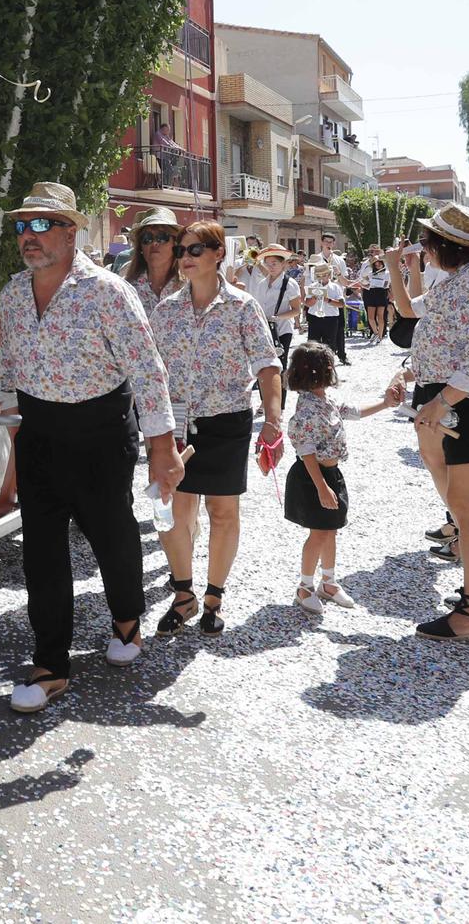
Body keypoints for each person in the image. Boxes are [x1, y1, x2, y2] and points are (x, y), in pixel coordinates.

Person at [0, 182, 184, 713]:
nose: (28, 237)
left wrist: (163, 445)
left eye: (41, 225)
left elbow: (146, 368)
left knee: (110, 534)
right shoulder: (15, 291)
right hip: (38, 431)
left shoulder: (107, 290)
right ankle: (49, 664)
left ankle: (128, 623)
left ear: (70, 231)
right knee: (41, 551)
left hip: (100, 433)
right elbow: (9, 351)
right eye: (22, 226)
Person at [387, 203, 469, 643]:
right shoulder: (463, 280)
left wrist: (440, 401)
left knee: (468, 508)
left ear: (445, 246)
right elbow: (410, 311)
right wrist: (397, 268)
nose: (423, 249)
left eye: (426, 243)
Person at [149, 219, 281, 638]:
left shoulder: (243, 306)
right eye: (181, 250)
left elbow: (267, 364)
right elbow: (149, 372)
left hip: (227, 420)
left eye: (194, 250)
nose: (183, 257)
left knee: (222, 512)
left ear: (218, 253)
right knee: (175, 511)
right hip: (176, 424)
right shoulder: (165, 311)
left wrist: (273, 420)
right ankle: (183, 595)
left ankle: (214, 598)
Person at [283, 342, 390, 614]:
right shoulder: (307, 409)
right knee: (318, 533)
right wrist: (321, 487)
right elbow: (306, 451)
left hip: (329, 474)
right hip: (313, 477)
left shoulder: (325, 399)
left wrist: (386, 403)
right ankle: (304, 586)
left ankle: (328, 582)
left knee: (330, 530)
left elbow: (353, 411)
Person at [235, 245, 303, 370]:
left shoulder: (290, 284)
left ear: (283, 264)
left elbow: (296, 310)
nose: (270, 267)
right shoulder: (261, 284)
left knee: (280, 367)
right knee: (263, 367)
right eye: (267, 264)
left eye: (274, 263)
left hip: (282, 330)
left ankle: (281, 390)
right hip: (263, 330)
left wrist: (276, 317)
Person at [123, 208, 184, 317]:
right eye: (147, 238)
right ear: (140, 247)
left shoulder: (189, 287)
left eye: (162, 237)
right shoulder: (126, 288)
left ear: (175, 244)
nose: (154, 243)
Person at [303, 258, 349, 365]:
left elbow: (341, 304)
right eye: (319, 275)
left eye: (324, 275)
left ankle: (328, 365)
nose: (321, 278)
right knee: (313, 344)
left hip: (330, 319)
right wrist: (314, 298)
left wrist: (328, 299)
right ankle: (313, 365)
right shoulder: (312, 287)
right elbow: (308, 304)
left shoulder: (335, 287)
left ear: (329, 275)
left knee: (329, 344)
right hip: (315, 318)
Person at [360, 245, 393, 342]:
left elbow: (388, 282)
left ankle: (380, 336)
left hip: (382, 292)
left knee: (381, 316)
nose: (376, 253)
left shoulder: (386, 267)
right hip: (370, 292)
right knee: (370, 317)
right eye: (374, 251)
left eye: (378, 251)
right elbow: (362, 276)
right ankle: (375, 332)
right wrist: (371, 263)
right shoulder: (368, 265)